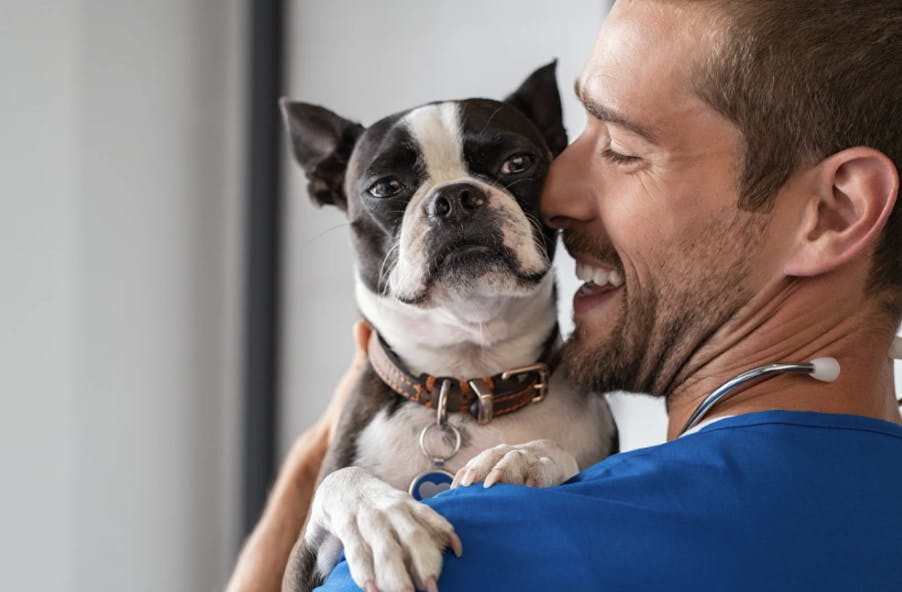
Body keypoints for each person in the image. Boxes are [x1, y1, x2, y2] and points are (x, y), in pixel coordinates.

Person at [231, 0, 902, 590]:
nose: (554, 196)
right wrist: (316, 470)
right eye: (573, 137)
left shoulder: (457, 551)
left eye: (623, 148)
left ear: (834, 212)